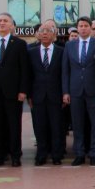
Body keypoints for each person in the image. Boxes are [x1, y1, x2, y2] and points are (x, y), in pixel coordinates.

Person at [0, 13, 30, 167]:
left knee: (14, 125)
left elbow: (24, 69)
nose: (2, 23)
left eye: (5, 21)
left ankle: (15, 155)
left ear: (11, 25)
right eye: (0, 21)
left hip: (13, 92)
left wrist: (23, 90)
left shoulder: (19, 44)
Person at [63, 17, 95, 166]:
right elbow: (65, 70)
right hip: (75, 90)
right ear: (77, 28)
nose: (83, 28)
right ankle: (79, 153)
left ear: (91, 28)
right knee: (77, 123)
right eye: (80, 26)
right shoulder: (69, 45)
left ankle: (94, 153)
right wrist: (65, 91)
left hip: (94, 89)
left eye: (86, 26)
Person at [27, 21, 65, 166]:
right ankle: (41, 154)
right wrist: (29, 95)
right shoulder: (31, 52)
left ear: (54, 35)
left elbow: (64, 74)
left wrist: (64, 93)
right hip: (37, 96)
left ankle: (56, 154)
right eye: (42, 31)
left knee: (56, 126)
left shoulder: (61, 51)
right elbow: (28, 75)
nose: (44, 33)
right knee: (39, 126)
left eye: (48, 31)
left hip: (56, 95)